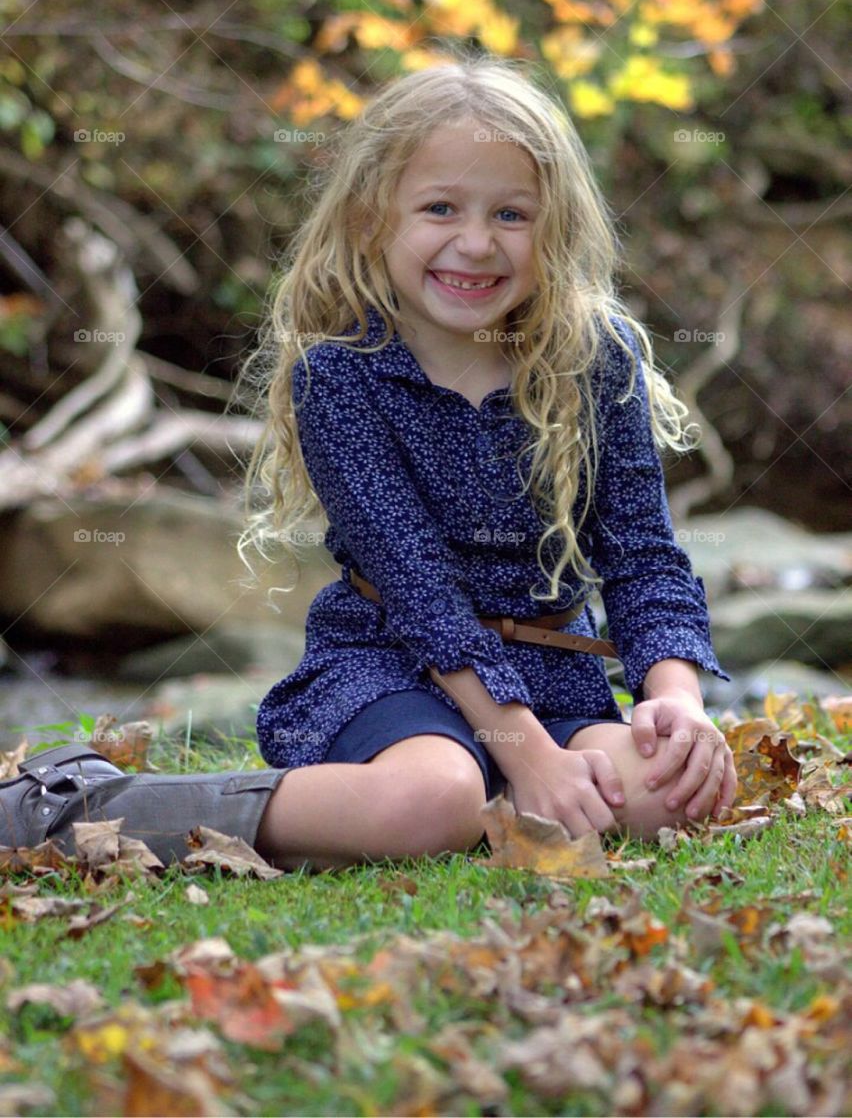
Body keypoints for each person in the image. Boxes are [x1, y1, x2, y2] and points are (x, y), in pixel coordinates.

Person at [0, 51, 737, 873]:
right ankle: (90, 805)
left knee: (670, 794)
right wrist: (530, 760)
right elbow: (421, 592)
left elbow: (642, 554)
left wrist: (676, 702)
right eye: (440, 207)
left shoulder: (595, 359)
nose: (475, 243)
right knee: (435, 800)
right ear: (371, 218)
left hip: (555, 671)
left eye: (511, 215)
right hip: (393, 665)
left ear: (556, 225)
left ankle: (511, 785)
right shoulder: (341, 375)